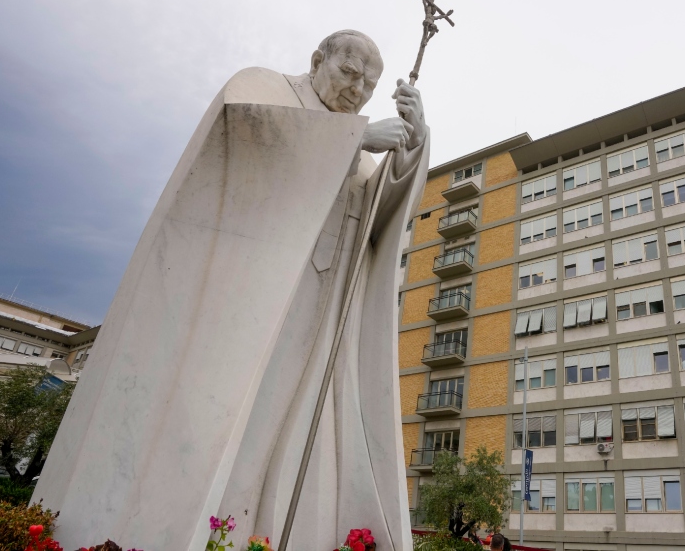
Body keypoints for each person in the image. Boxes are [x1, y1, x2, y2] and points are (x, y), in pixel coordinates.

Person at [33, 30, 429, 550]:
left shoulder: (364, 157)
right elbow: (243, 143)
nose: (356, 91)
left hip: (320, 314)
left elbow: (380, 220)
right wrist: (352, 139)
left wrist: (411, 147)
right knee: (230, 427)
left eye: (368, 86)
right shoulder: (264, 89)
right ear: (318, 60)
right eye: (348, 74)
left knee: (289, 436)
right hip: (248, 309)